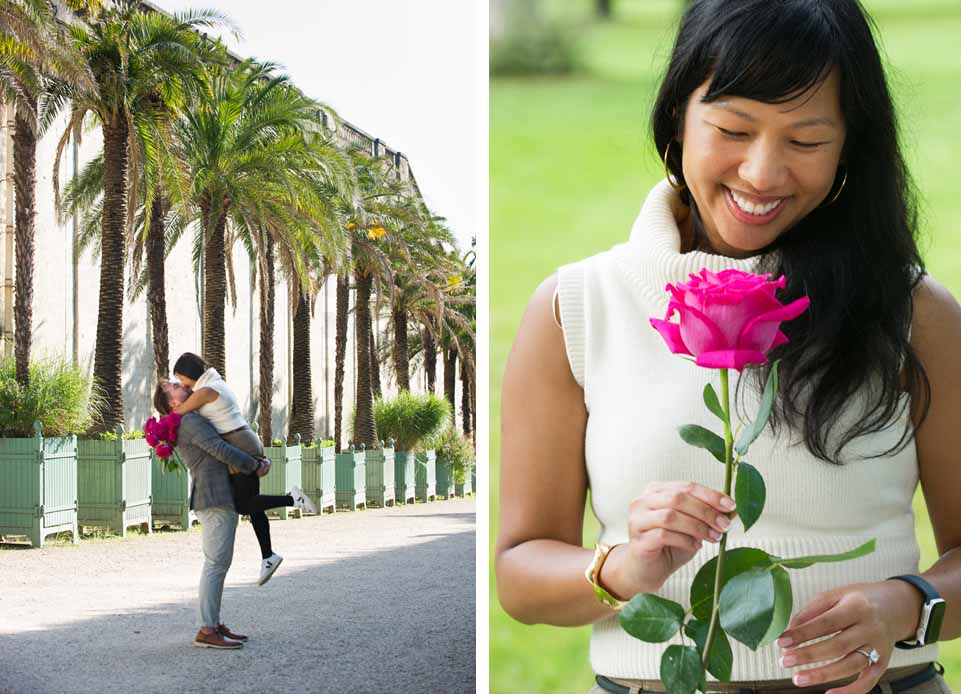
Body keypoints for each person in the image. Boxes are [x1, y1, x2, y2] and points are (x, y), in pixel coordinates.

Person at [495, 2, 961, 694]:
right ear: (676, 118)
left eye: (805, 141)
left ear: (847, 147)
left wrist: (905, 604)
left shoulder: (910, 312)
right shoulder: (576, 308)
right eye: (733, 129)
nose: (762, 173)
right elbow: (519, 573)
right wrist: (619, 567)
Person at [165, 352, 317, 586]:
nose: (182, 384)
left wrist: (160, 426)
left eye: (181, 379)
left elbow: (176, 412)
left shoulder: (206, 391)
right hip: (243, 440)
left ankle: (292, 500)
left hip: (241, 444)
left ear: (190, 374)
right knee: (253, 504)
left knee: (242, 504)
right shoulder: (214, 384)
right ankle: (268, 556)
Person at [153, 380, 266, 649]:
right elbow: (220, 449)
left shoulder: (189, 418)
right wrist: (255, 465)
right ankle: (206, 629)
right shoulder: (190, 422)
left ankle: (213, 624)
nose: (181, 384)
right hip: (213, 497)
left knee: (218, 563)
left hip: (216, 496)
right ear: (173, 403)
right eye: (174, 386)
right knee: (215, 564)